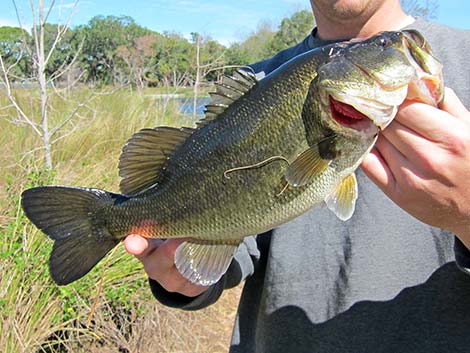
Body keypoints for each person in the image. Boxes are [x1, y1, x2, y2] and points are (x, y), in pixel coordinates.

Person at [125, 1, 470, 351]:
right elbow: (237, 247)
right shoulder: (258, 83)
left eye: (382, 47)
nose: (388, 47)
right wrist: (183, 276)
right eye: (380, 46)